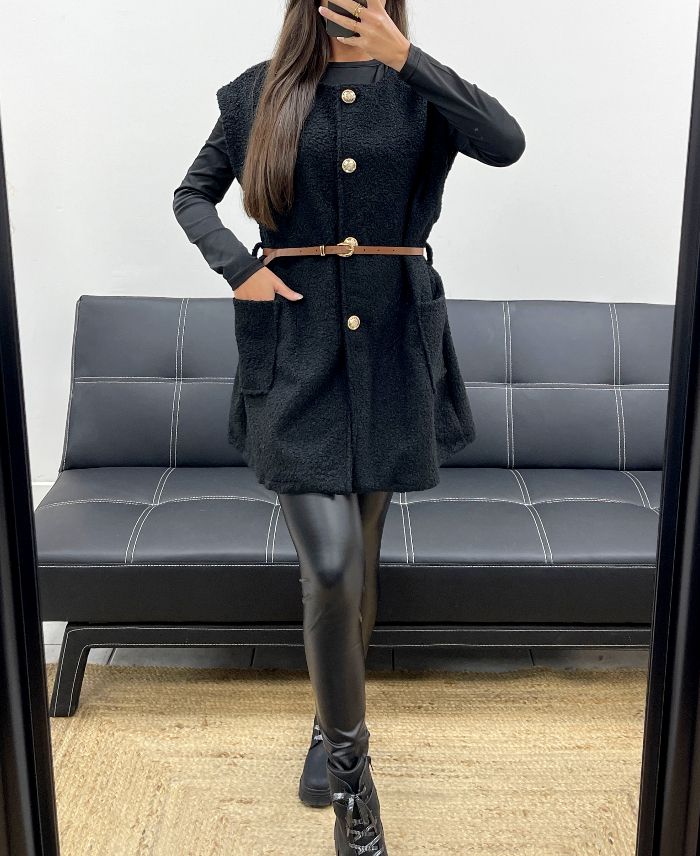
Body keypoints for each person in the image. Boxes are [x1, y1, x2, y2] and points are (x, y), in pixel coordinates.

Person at [173, 1, 525, 851]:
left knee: (357, 562)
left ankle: (327, 724)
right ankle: (353, 789)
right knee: (330, 568)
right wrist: (238, 268)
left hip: (394, 351)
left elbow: (506, 142)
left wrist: (409, 59)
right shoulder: (259, 92)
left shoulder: (419, 89)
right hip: (294, 352)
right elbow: (192, 196)